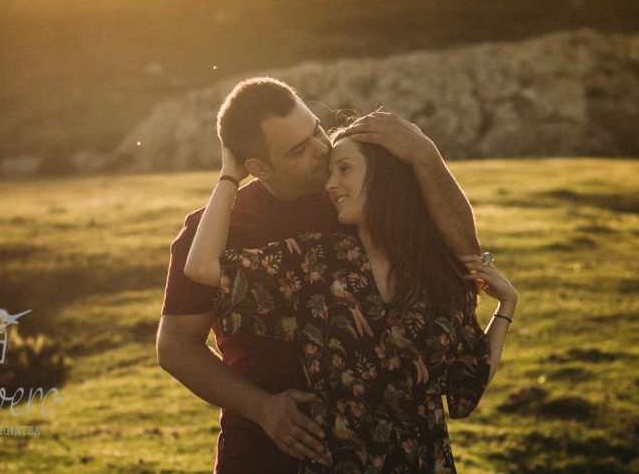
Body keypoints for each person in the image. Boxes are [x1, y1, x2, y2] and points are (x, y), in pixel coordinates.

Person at [156, 78, 481, 474]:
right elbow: (175, 346)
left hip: (383, 450)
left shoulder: (354, 196)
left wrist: (425, 156)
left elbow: (463, 256)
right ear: (257, 167)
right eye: (298, 149)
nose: (321, 150)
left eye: (316, 129)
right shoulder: (214, 229)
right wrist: (261, 408)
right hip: (266, 453)